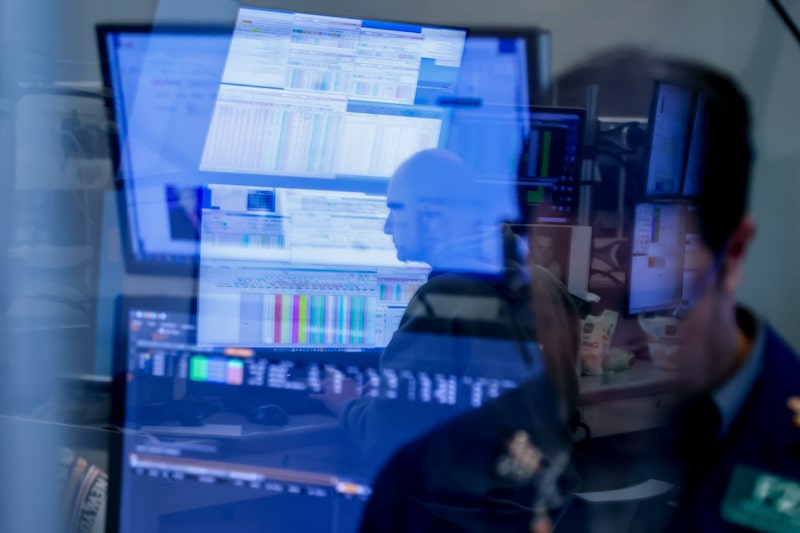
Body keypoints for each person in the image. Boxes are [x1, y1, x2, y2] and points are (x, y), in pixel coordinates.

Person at [557, 48, 800, 531]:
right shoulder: (451, 458)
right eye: (571, 307)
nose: (604, 354)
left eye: (636, 305)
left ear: (733, 255)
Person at [312, 148, 582, 529]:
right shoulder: (546, 286)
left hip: (460, 521)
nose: (387, 227)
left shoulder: (445, 299)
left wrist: (349, 403)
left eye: (396, 210)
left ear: (433, 215)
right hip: (541, 513)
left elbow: (384, 440)